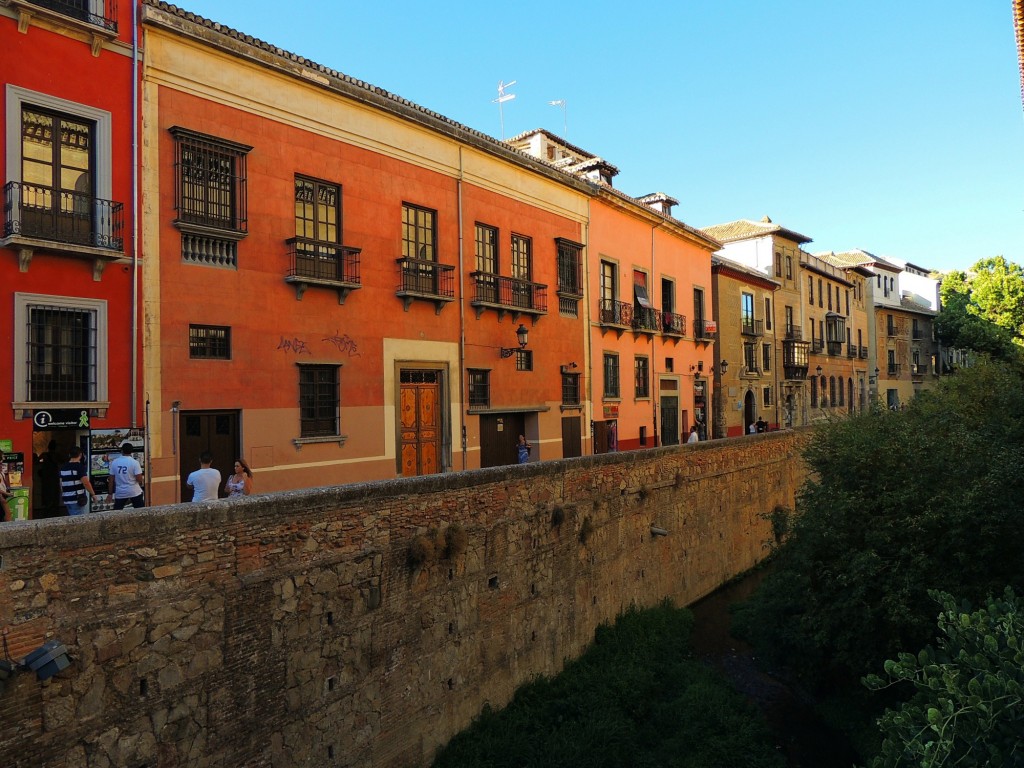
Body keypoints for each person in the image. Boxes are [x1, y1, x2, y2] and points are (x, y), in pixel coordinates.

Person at [59, 447, 97, 516]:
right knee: (78, 520)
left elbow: (61, 483)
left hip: (67, 499)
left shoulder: (63, 467)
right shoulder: (79, 467)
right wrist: (93, 494)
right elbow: (86, 483)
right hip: (77, 499)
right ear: (80, 455)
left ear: (69, 455)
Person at [108, 443, 145, 509]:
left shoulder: (115, 462)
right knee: (140, 511)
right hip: (134, 491)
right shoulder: (135, 462)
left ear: (122, 450)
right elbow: (139, 479)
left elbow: (111, 480)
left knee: (117, 513)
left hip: (120, 492)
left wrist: (110, 493)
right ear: (131, 451)